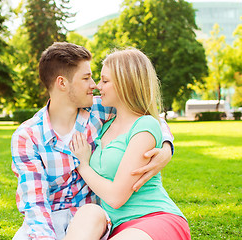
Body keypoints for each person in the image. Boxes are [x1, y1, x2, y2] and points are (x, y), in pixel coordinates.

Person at [11, 42, 175, 240]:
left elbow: (147, 118)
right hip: (47, 222)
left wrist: (166, 148)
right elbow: (35, 205)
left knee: (90, 215)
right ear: (62, 83)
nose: (95, 85)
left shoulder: (100, 109)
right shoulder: (27, 137)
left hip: (92, 221)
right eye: (86, 78)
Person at [66, 48, 190, 240]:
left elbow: (116, 198)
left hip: (153, 218)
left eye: (105, 81)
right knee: (87, 212)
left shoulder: (145, 125)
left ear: (126, 84)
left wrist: (83, 165)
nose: (98, 86)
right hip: (114, 226)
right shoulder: (104, 124)